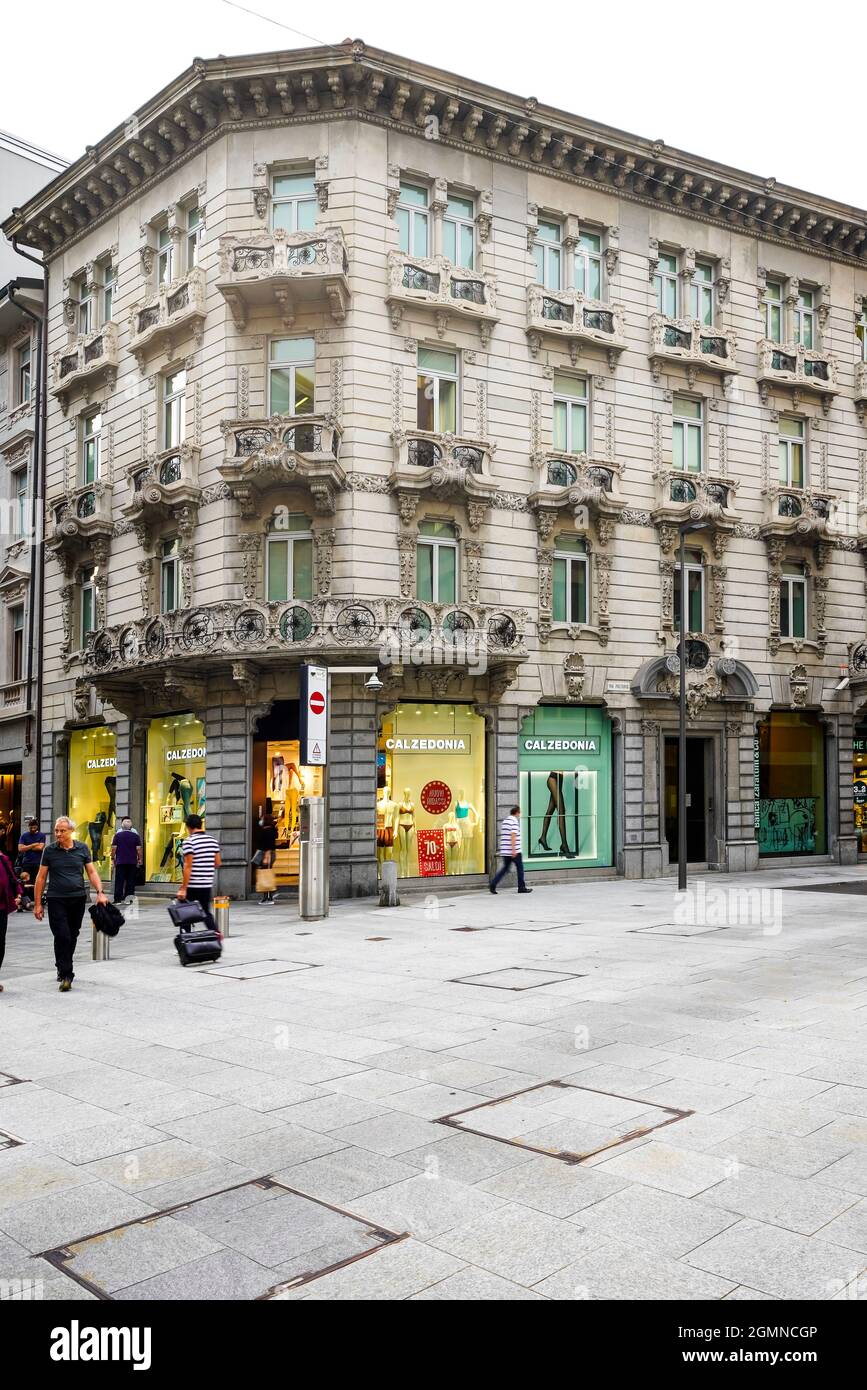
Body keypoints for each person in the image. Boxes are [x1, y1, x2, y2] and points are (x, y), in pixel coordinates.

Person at [33, 816, 107, 992]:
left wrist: (100, 892)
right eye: (56, 830)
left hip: (77, 898)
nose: (58, 834)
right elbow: (41, 877)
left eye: (62, 831)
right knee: (62, 935)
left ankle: (61, 965)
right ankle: (67, 974)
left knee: (72, 934)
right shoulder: (49, 851)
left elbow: (91, 871)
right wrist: (37, 904)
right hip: (56, 898)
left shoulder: (82, 848)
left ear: (71, 831)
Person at [176, 815, 221, 930]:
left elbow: (188, 866)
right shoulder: (213, 841)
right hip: (206, 884)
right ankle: (215, 933)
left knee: (183, 910)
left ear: (188, 827)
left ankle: (187, 937)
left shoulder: (189, 842)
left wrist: (183, 888)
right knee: (205, 911)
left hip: (193, 884)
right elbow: (217, 863)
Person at [489, 805, 533, 895]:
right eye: (519, 812)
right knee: (520, 868)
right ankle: (521, 887)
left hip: (505, 851)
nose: (520, 814)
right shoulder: (514, 821)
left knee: (505, 869)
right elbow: (513, 835)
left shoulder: (505, 821)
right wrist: (513, 850)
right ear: (516, 812)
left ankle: (493, 884)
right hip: (514, 850)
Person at [0, 846, 22, 993]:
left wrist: (19, 894)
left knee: (0, 943)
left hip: (0, 908)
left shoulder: (2, 858)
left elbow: (12, 877)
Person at [110, 817, 143, 903]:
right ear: (130, 827)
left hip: (120, 861)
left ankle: (117, 899)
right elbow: (139, 849)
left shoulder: (117, 836)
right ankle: (128, 899)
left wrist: (113, 858)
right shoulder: (135, 836)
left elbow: (114, 848)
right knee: (130, 881)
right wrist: (140, 859)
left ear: (122, 826)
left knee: (119, 881)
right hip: (132, 862)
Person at [256, 813, 278, 904]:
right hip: (269, 854)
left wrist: (266, 857)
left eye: (262, 819)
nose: (261, 821)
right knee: (266, 873)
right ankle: (268, 896)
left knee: (266, 874)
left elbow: (268, 845)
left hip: (267, 854)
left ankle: (268, 897)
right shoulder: (271, 830)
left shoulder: (267, 831)